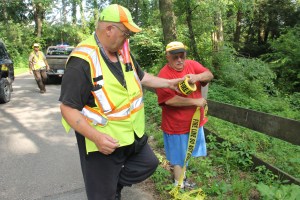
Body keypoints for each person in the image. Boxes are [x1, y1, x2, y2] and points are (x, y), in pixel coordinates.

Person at [59, 4, 183, 200]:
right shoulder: (81, 62)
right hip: (102, 143)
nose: (128, 39)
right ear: (109, 29)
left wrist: (169, 83)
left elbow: (141, 77)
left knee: (149, 163)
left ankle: (111, 185)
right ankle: (106, 189)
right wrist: (97, 138)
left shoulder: (123, 52)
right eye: (126, 33)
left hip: (131, 136)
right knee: (102, 195)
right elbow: (67, 108)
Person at [155, 41, 214, 188]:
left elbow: (209, 74)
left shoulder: (192, 65)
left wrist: (197, 77)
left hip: (193, 124)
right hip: (176, 126)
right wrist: (195, 102)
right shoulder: (164, 75)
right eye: (175, 57)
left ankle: (182, 180)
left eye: (182, 56)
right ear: (168, 57)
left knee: (186, 156)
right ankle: (178, 186)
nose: (180, 60)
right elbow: (169, 100)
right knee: (178, 158)